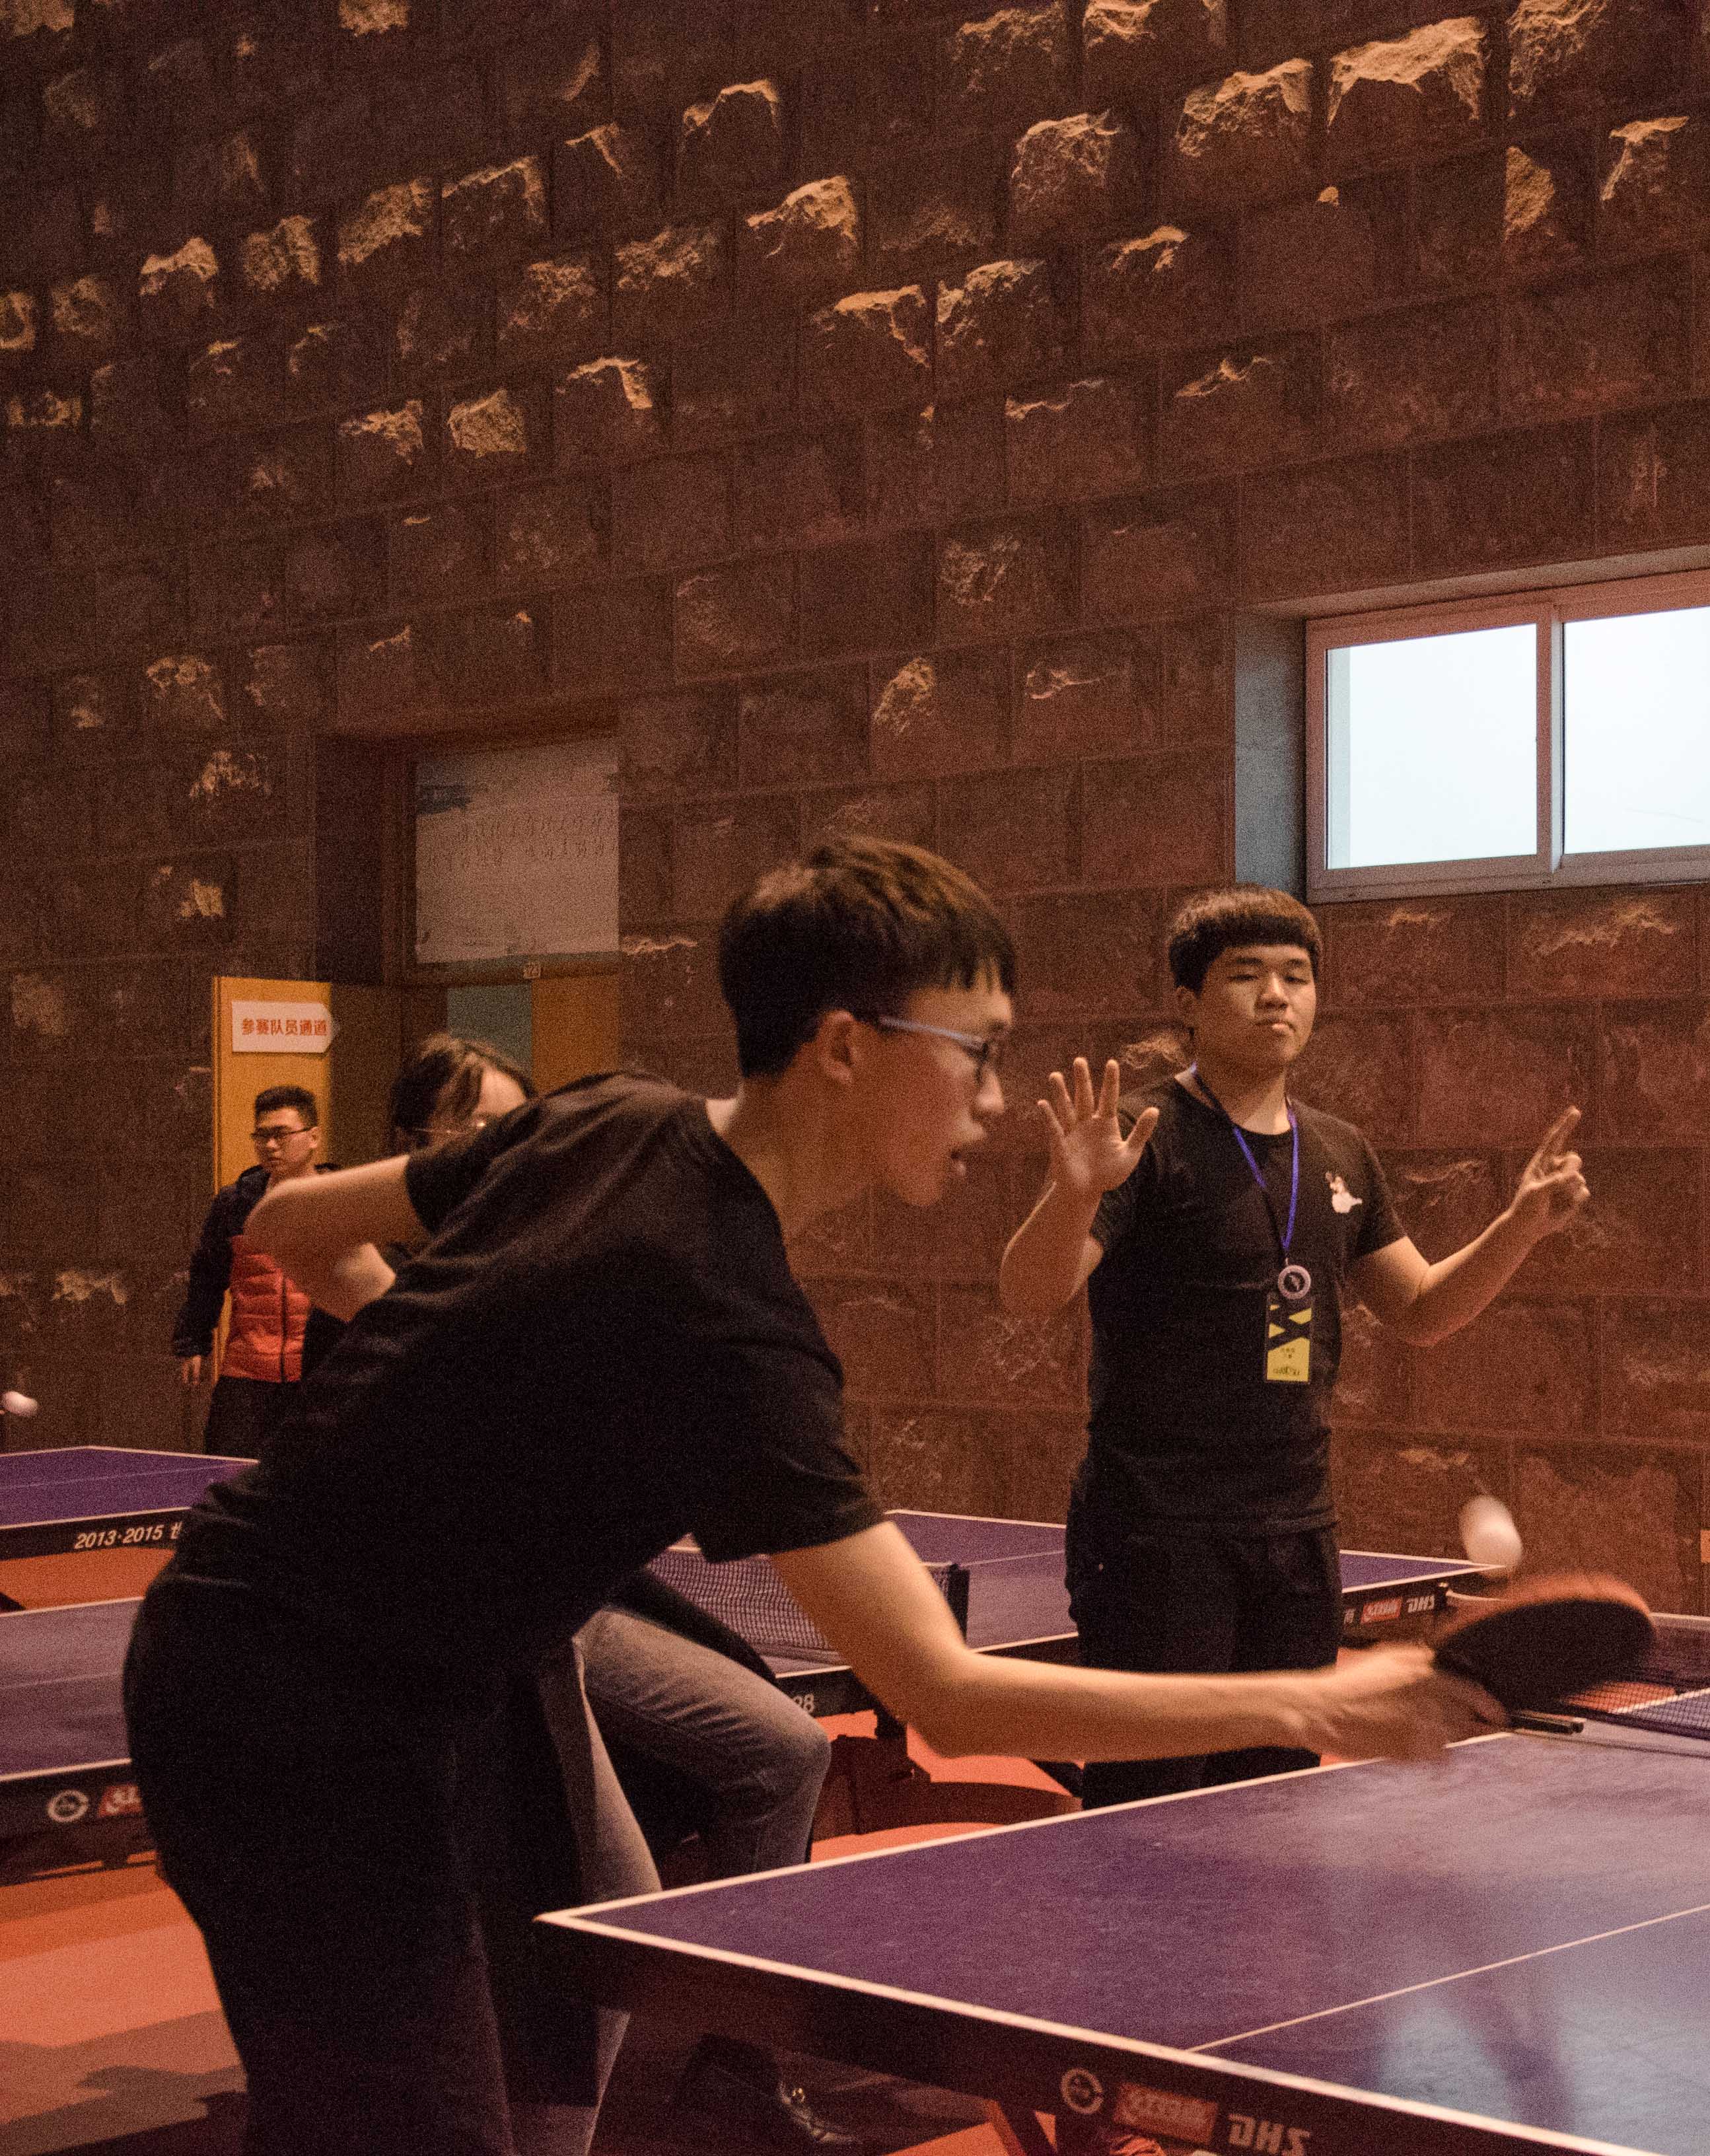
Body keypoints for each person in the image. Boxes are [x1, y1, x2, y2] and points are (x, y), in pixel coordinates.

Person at [123, 840, 1500, 2156]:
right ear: (845, 1046)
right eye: (975, 1052)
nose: (995, 1102)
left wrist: (468, 1398)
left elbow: (293, 1227)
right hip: (288, 1693)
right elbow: (948, 1694)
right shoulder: (736, 1332)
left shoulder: (612, 1115)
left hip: (444, 1676)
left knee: (556, 2007)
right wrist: (1317, 1702)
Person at [997, 884, 1588, 1807]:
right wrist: (1074, 1192)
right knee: (1150, 1801)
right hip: (1157, 1533)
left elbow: (1420, 1308)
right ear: (1188, 1003)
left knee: (1277, 1799)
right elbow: (1029, 1292)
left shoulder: (1340, 1152)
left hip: (1295, 1530)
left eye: (1296, 976)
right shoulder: (1141, 1137)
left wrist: (1517, 1228)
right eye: (1246, 976)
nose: (1276, 995)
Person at [388, 1034, 859, 2149]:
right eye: (475, 1129)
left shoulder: (572, 1263)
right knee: (603, 1903)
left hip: (581, 1603)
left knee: (785, 1748)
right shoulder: (405, 1290)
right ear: (419, 1146)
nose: (501, 1149)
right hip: (465, 1630)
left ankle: (735, 2054)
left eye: (516, 1126)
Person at [173, 1083, 342, 1455]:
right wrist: (193, 1342)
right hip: (246, 1372)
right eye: (262, 1136)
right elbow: (207, 1276)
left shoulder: (341, 1199)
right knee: (226, 1473)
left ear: (313, 1138)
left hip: (318, 1373)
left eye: (282, 1134)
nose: (271, 1145)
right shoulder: (235, 1203)